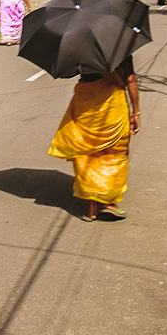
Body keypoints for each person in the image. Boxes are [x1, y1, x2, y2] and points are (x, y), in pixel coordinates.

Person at [49, 57, 142, 221]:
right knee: (114, 153)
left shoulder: (78, 47)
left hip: (84, 101)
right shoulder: (121, 44)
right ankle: (107, 201)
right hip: (112, 105)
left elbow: (69, 71)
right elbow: (131, 79)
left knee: (87, 152)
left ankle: (92, 206)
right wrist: (136, 112)